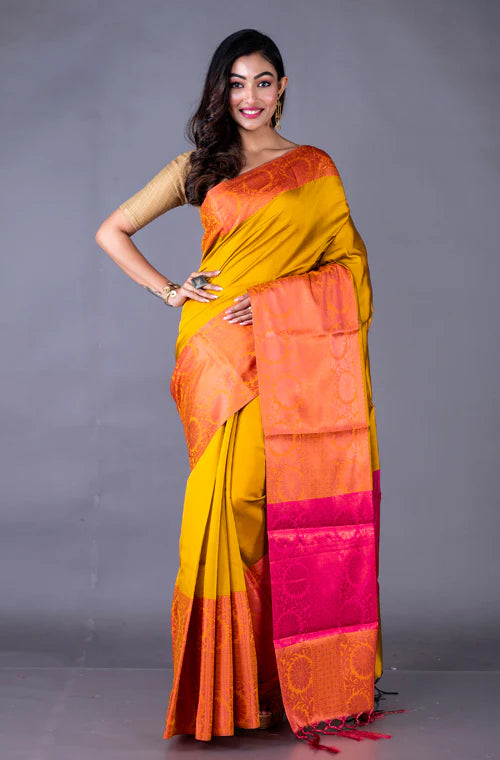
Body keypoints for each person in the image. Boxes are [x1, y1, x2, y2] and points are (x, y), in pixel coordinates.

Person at [96, 28, 402, 753]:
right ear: (220, 90)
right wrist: (170, 291)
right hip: (215, 354)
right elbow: (113, 230)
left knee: (274, 506)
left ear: (283, 87)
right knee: (222, 506)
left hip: (286, 351)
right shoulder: (199, 167)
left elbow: (350, 272)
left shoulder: (313, 169)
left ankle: (275, 682)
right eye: (236, 83)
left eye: (263, 81)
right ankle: (223, 690)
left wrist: (271, 302)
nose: (250, 97)